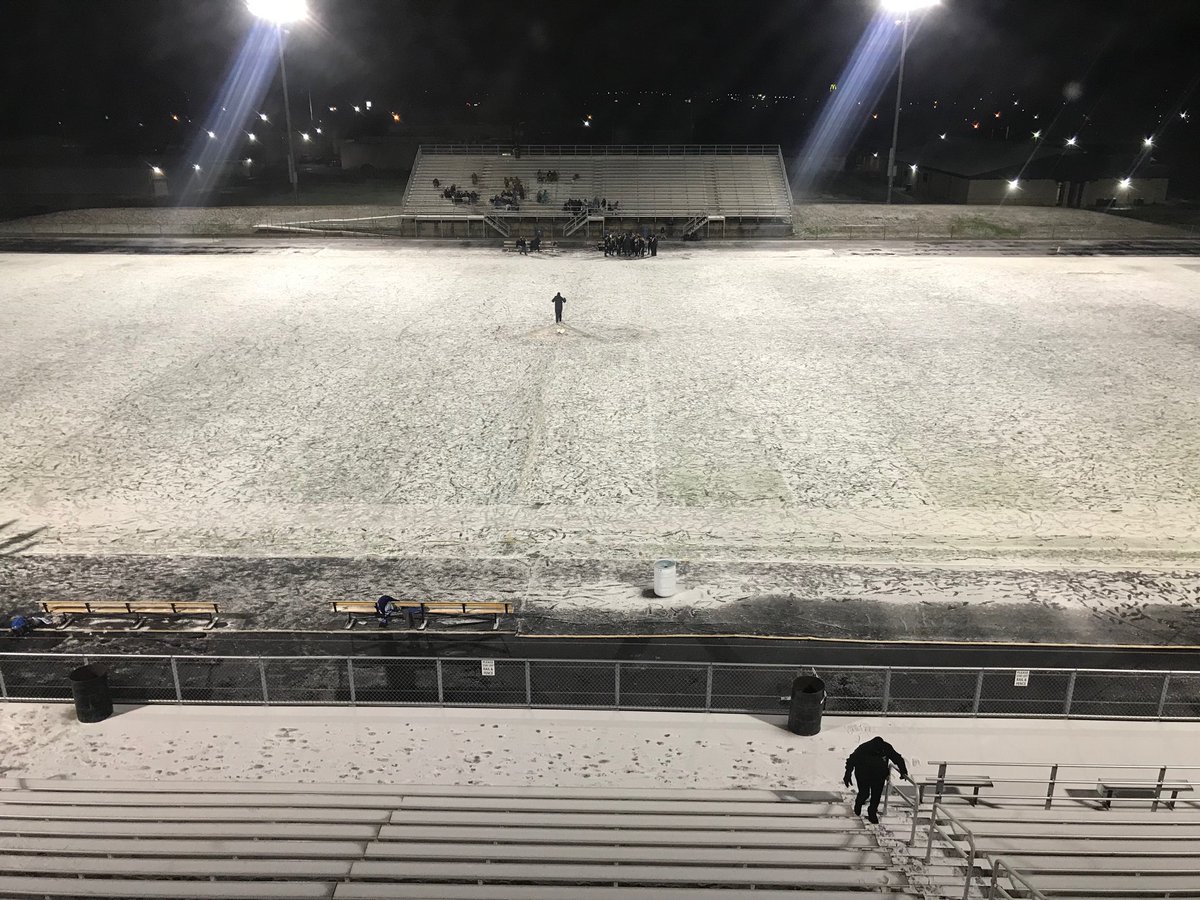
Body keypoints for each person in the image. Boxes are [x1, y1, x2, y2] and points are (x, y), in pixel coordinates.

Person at [844, 736, 909, 823]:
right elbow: (851, 760)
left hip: (879, 776)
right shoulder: (863, 748)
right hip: (863, 775)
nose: (880, 752)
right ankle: (858, 803)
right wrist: (848, 774)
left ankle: (872, 812)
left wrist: (903, 771)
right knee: (864, 793)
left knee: (876, 796)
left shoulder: (886, 747)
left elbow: (897, 758)